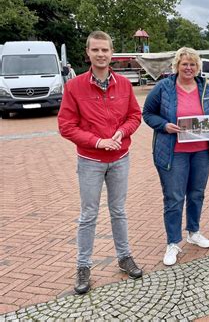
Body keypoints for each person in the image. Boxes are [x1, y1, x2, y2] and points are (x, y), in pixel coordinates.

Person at [58, 31, 143, 294]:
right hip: (90, 161)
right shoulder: (75, 86)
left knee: (118, 211)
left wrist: (122, 132)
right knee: (88, 215)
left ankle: (124, 257)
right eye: (96, 50)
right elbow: (66, 126)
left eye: (105, 50)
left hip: (120, 158)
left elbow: (134, 116)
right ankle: (83, 266)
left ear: (111, 52)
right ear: (88, 53)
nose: (101, 54)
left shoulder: (125, 85)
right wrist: (97, 142)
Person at [142, 47, 209, 266]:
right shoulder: (163, 87)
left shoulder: (205, 87)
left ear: (198, 67)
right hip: (172, 152)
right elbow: (147, 114)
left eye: (193, 64)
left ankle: (194, 231)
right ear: (177, 66)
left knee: (197, 193)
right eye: (185, 64)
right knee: (174, 197)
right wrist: (164, 125)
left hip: (201, 151)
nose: (189, 68)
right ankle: (172, 242)